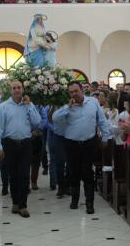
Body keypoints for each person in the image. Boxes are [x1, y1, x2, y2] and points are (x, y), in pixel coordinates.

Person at [53, 81, 110, 214]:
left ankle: (89, 203)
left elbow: (101, 120)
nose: (74, 94)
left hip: (89, 143)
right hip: (71, 144)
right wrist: (68, 107)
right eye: (71, 92)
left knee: (87, 173)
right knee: (73, 172)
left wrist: (105, 137)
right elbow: (55, 118)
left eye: (76, 91)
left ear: (81, 90)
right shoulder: (67, 105)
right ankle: (75, 199)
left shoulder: (93, 102)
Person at [0, 81, 41, 218]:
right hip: (9, 143)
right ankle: (15, 203)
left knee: (25, 174)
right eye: (14, 88)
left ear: (22, 89)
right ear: (10, 90)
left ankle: (23, 205)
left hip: (25, 143)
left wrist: (30, 105)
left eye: (19, 88)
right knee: (13, 175)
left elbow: (37, 122)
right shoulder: (3, 107)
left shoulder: (28, 106)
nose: (17, 90)